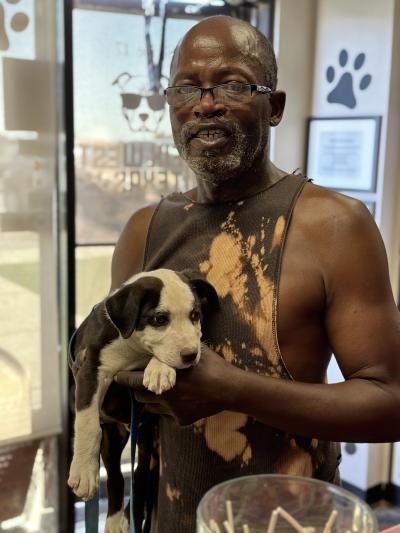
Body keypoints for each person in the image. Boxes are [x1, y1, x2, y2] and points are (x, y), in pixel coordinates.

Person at [110, 15, 400, 532]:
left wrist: (232, 389)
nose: (206, 103)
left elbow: (391, 401)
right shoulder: (143, 231)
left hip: (292, 518)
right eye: (186, 88)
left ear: (276, 107)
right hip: (166, 517)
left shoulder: (335, 226)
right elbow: (117, 371)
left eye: (233, 84)